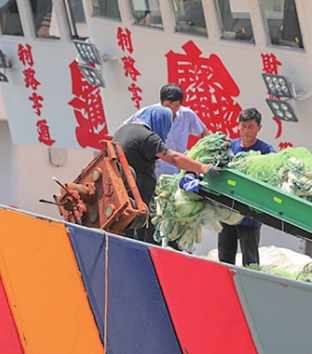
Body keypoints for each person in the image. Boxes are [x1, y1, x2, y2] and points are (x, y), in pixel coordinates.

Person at [115, 105, 217, 245]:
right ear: (160, 122)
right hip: (137, 204)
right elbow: (173, 158)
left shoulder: (123, 130)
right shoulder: (147, 137)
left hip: (119, 198)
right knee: (148, 241)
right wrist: (202, 167)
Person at [217, 107, 276, 266]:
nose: (246, 131)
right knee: (224, 259)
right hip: (227, 213)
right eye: (243, 126)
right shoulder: (229, 146)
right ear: (238, 126)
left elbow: (275, 172)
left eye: (250, 127)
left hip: (250, 217)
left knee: (250, 261)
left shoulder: (266, 151)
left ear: (259, 128)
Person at [126, 84, 207, 178]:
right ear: (161, 102)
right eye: (168, 106)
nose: (172, 110)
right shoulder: (149, 113)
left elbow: (205, 133)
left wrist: (200, 154)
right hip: (153, 171)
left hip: (178, 171)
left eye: (176, 106)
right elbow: (125, 128)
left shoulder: (187, 115)